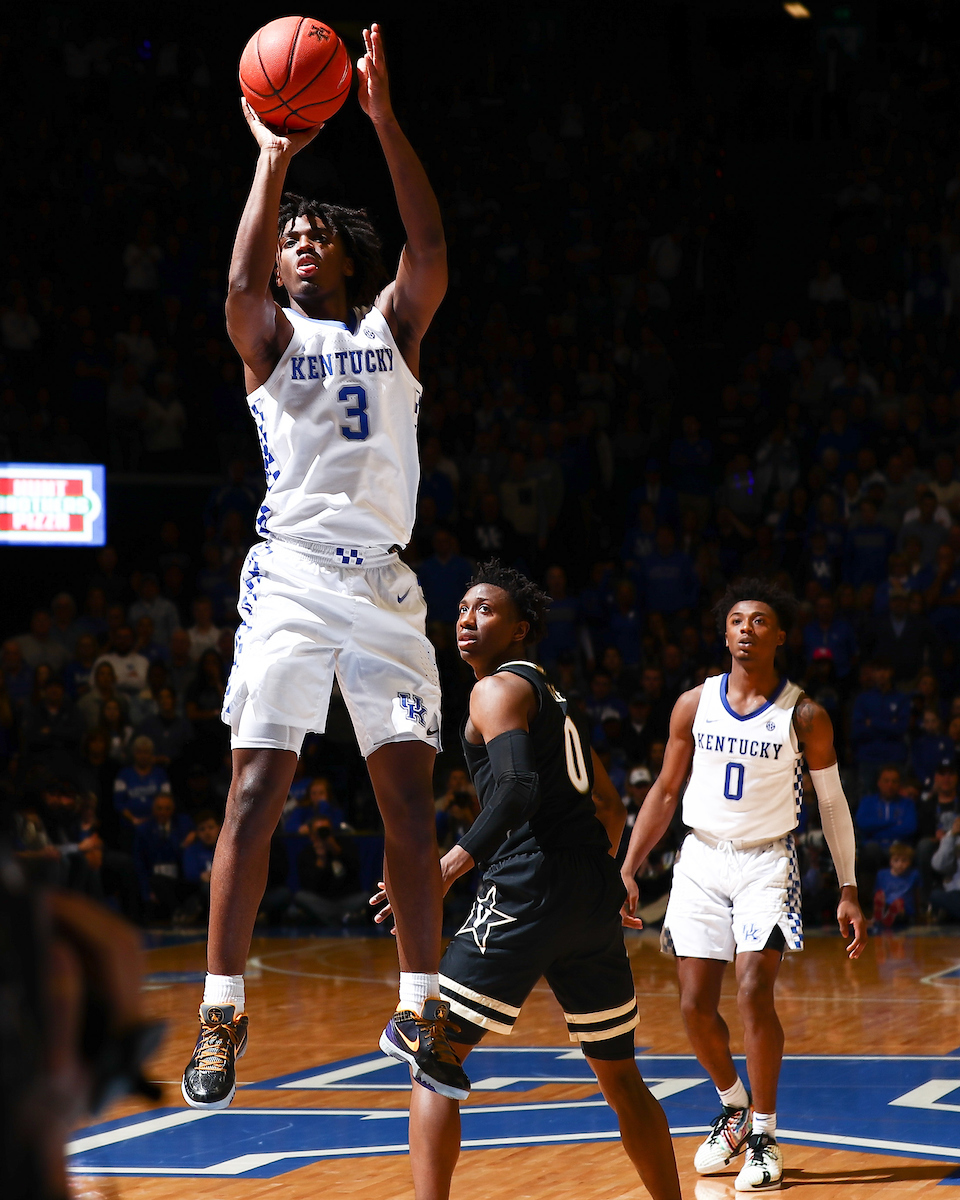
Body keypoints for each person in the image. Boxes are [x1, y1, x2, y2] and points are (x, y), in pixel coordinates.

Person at [180, 24, 468, 1110]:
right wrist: (274, 157)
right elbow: (237, 280)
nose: (300, 244)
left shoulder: (394, 327)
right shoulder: (268, 339)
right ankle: (221, 1015)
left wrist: (385, 121)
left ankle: (417, 1004)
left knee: (407, 800)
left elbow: (431, 248)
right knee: (256, 790)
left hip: (384, 586)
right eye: (292, 236)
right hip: (295, 575)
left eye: (315, 236)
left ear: (346, 256)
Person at [374, 562, 681, 1200]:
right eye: (461, 609)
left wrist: (445, 869)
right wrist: (611, 876)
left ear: (521, 629)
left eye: (485, 610)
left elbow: (516, 788)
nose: (467, 620)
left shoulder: (494, 692)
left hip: (526, 885)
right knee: (621, 1079)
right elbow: (610, 804)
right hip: (588, 893)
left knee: (433, 1063)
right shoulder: (554, 699)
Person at [620, 577, 866, 1191]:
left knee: (755, 990)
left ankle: (763, 1132)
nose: (746, 629)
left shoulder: (804, 713)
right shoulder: (692, 703)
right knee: (694, 1007)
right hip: (701, 858)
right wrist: (627, 864)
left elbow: (832, 805)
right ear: (723, 632)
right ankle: (733, 1104)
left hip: (766, 862)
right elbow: (666, 790)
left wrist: (849, 888)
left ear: (780, 636)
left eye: (759, 621)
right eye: (736, 620)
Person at [872, 842, 920, 931]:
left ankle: (889, 916)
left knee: (899, 907)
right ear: (890, 861)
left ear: (909, 862)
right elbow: (877, 895)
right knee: (883, 904)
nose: (900, 864)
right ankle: (883, 916)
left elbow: (917, 895)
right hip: (886, 905)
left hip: (905, 910)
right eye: (896, 860)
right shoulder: (882, 874)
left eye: (904, 860)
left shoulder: (914, 875)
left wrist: (918, 914)